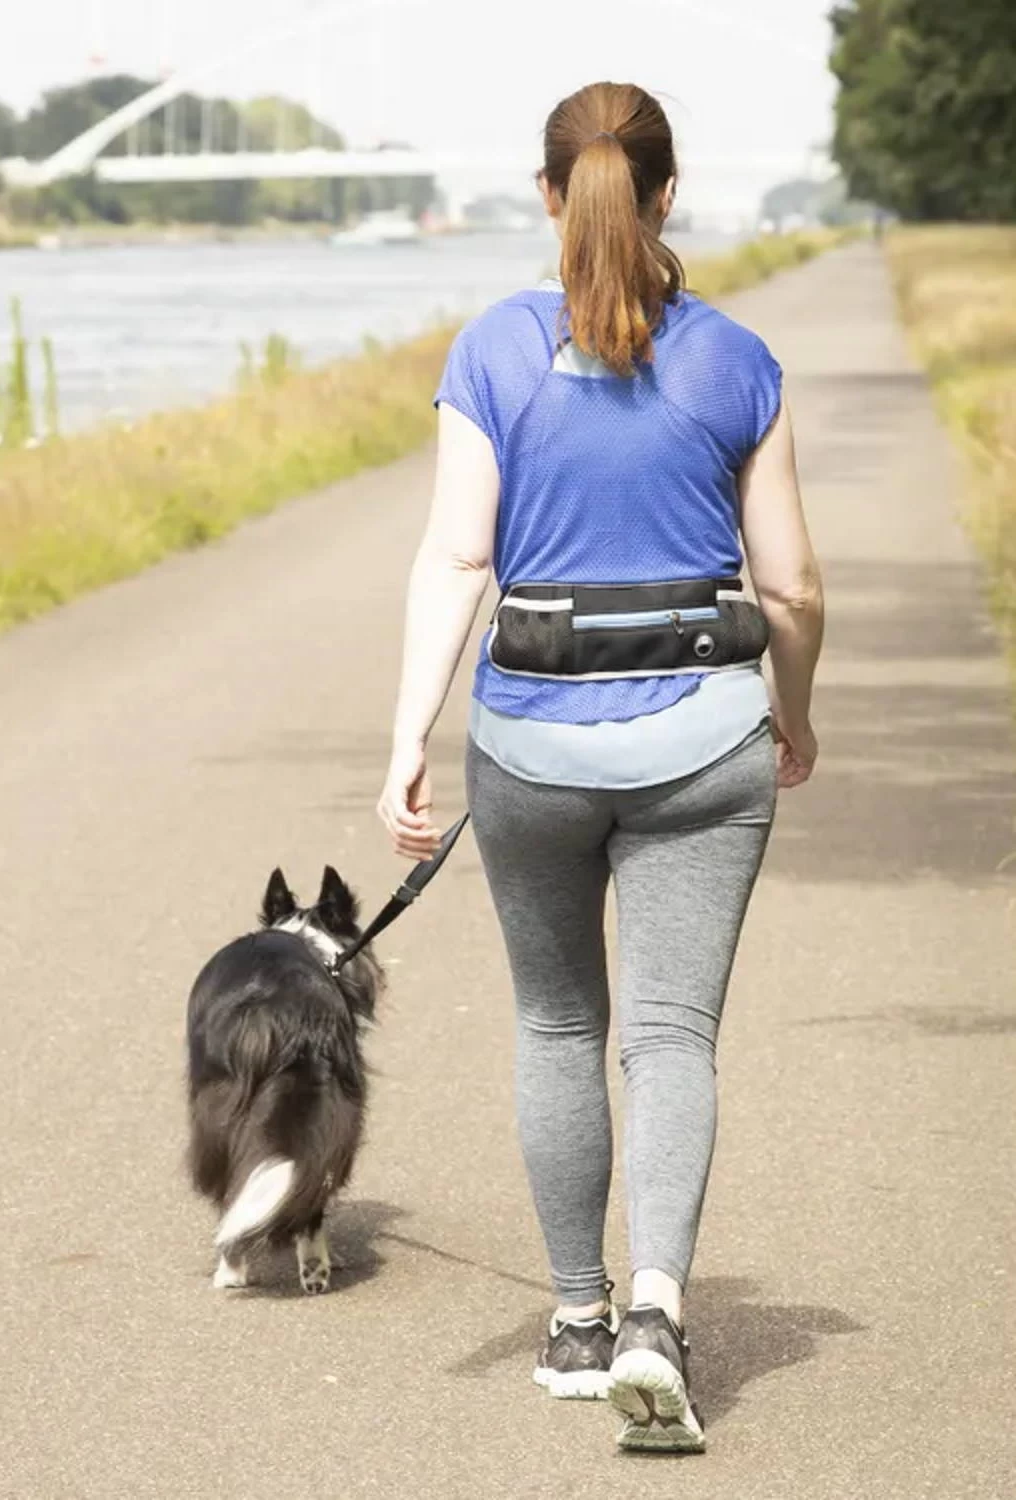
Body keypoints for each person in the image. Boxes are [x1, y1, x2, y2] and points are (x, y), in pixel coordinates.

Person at [377, 80, 823, 1454]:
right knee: (671, 1037)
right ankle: (655, 1312)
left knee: (561, 1027)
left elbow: (458, 558)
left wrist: (407, 738)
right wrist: (792, 714)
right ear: (670, 195)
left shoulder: (493, 352)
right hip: (704, 741)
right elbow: (792, 586)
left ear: (547, 194)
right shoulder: (739, 359)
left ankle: (574, 1320)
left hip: (531, 744)